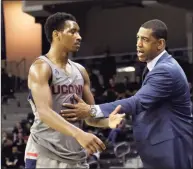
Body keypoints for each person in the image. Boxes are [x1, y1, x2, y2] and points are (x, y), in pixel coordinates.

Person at [61, 19, 193, 169]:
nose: (138, 44)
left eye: (145, 39)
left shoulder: (165, 70)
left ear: (160, 44)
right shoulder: (154, 68)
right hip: (162, 147)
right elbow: (150, 108)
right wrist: (126, 121)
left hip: (172, 149)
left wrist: (91, 110)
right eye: (138, 38)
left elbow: (137, 102)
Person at [25, 12, 125, 169]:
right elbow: (44, 112)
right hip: (45, 154)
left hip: (75, 156)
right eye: (72, 32)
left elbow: (89, 117)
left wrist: (107, 122)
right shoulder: (41, 67)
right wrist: (79, 133)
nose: (78, 37)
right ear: (57, 35)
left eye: (78, 32)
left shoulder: (81, 71)